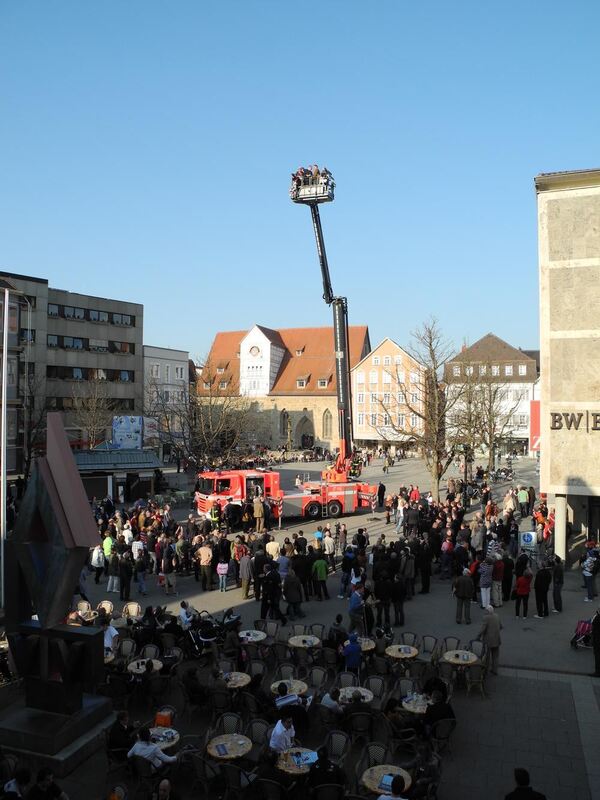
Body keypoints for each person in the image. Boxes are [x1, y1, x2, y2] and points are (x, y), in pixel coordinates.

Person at [477, 605, 502, 675]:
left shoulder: (486, 618)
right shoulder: (497, 616)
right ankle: (495, 670)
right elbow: (501, 626)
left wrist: (478, 636)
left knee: (486, 656)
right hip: (497, 639)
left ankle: (485, 671)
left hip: (488, 641)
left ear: (487, 611)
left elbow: (482, 629)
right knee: (495, 656)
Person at [591, 609, 600, 678]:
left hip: (597, 639)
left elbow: (593, 623)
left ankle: (598, 672)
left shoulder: (597, 618)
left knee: (597, 655)